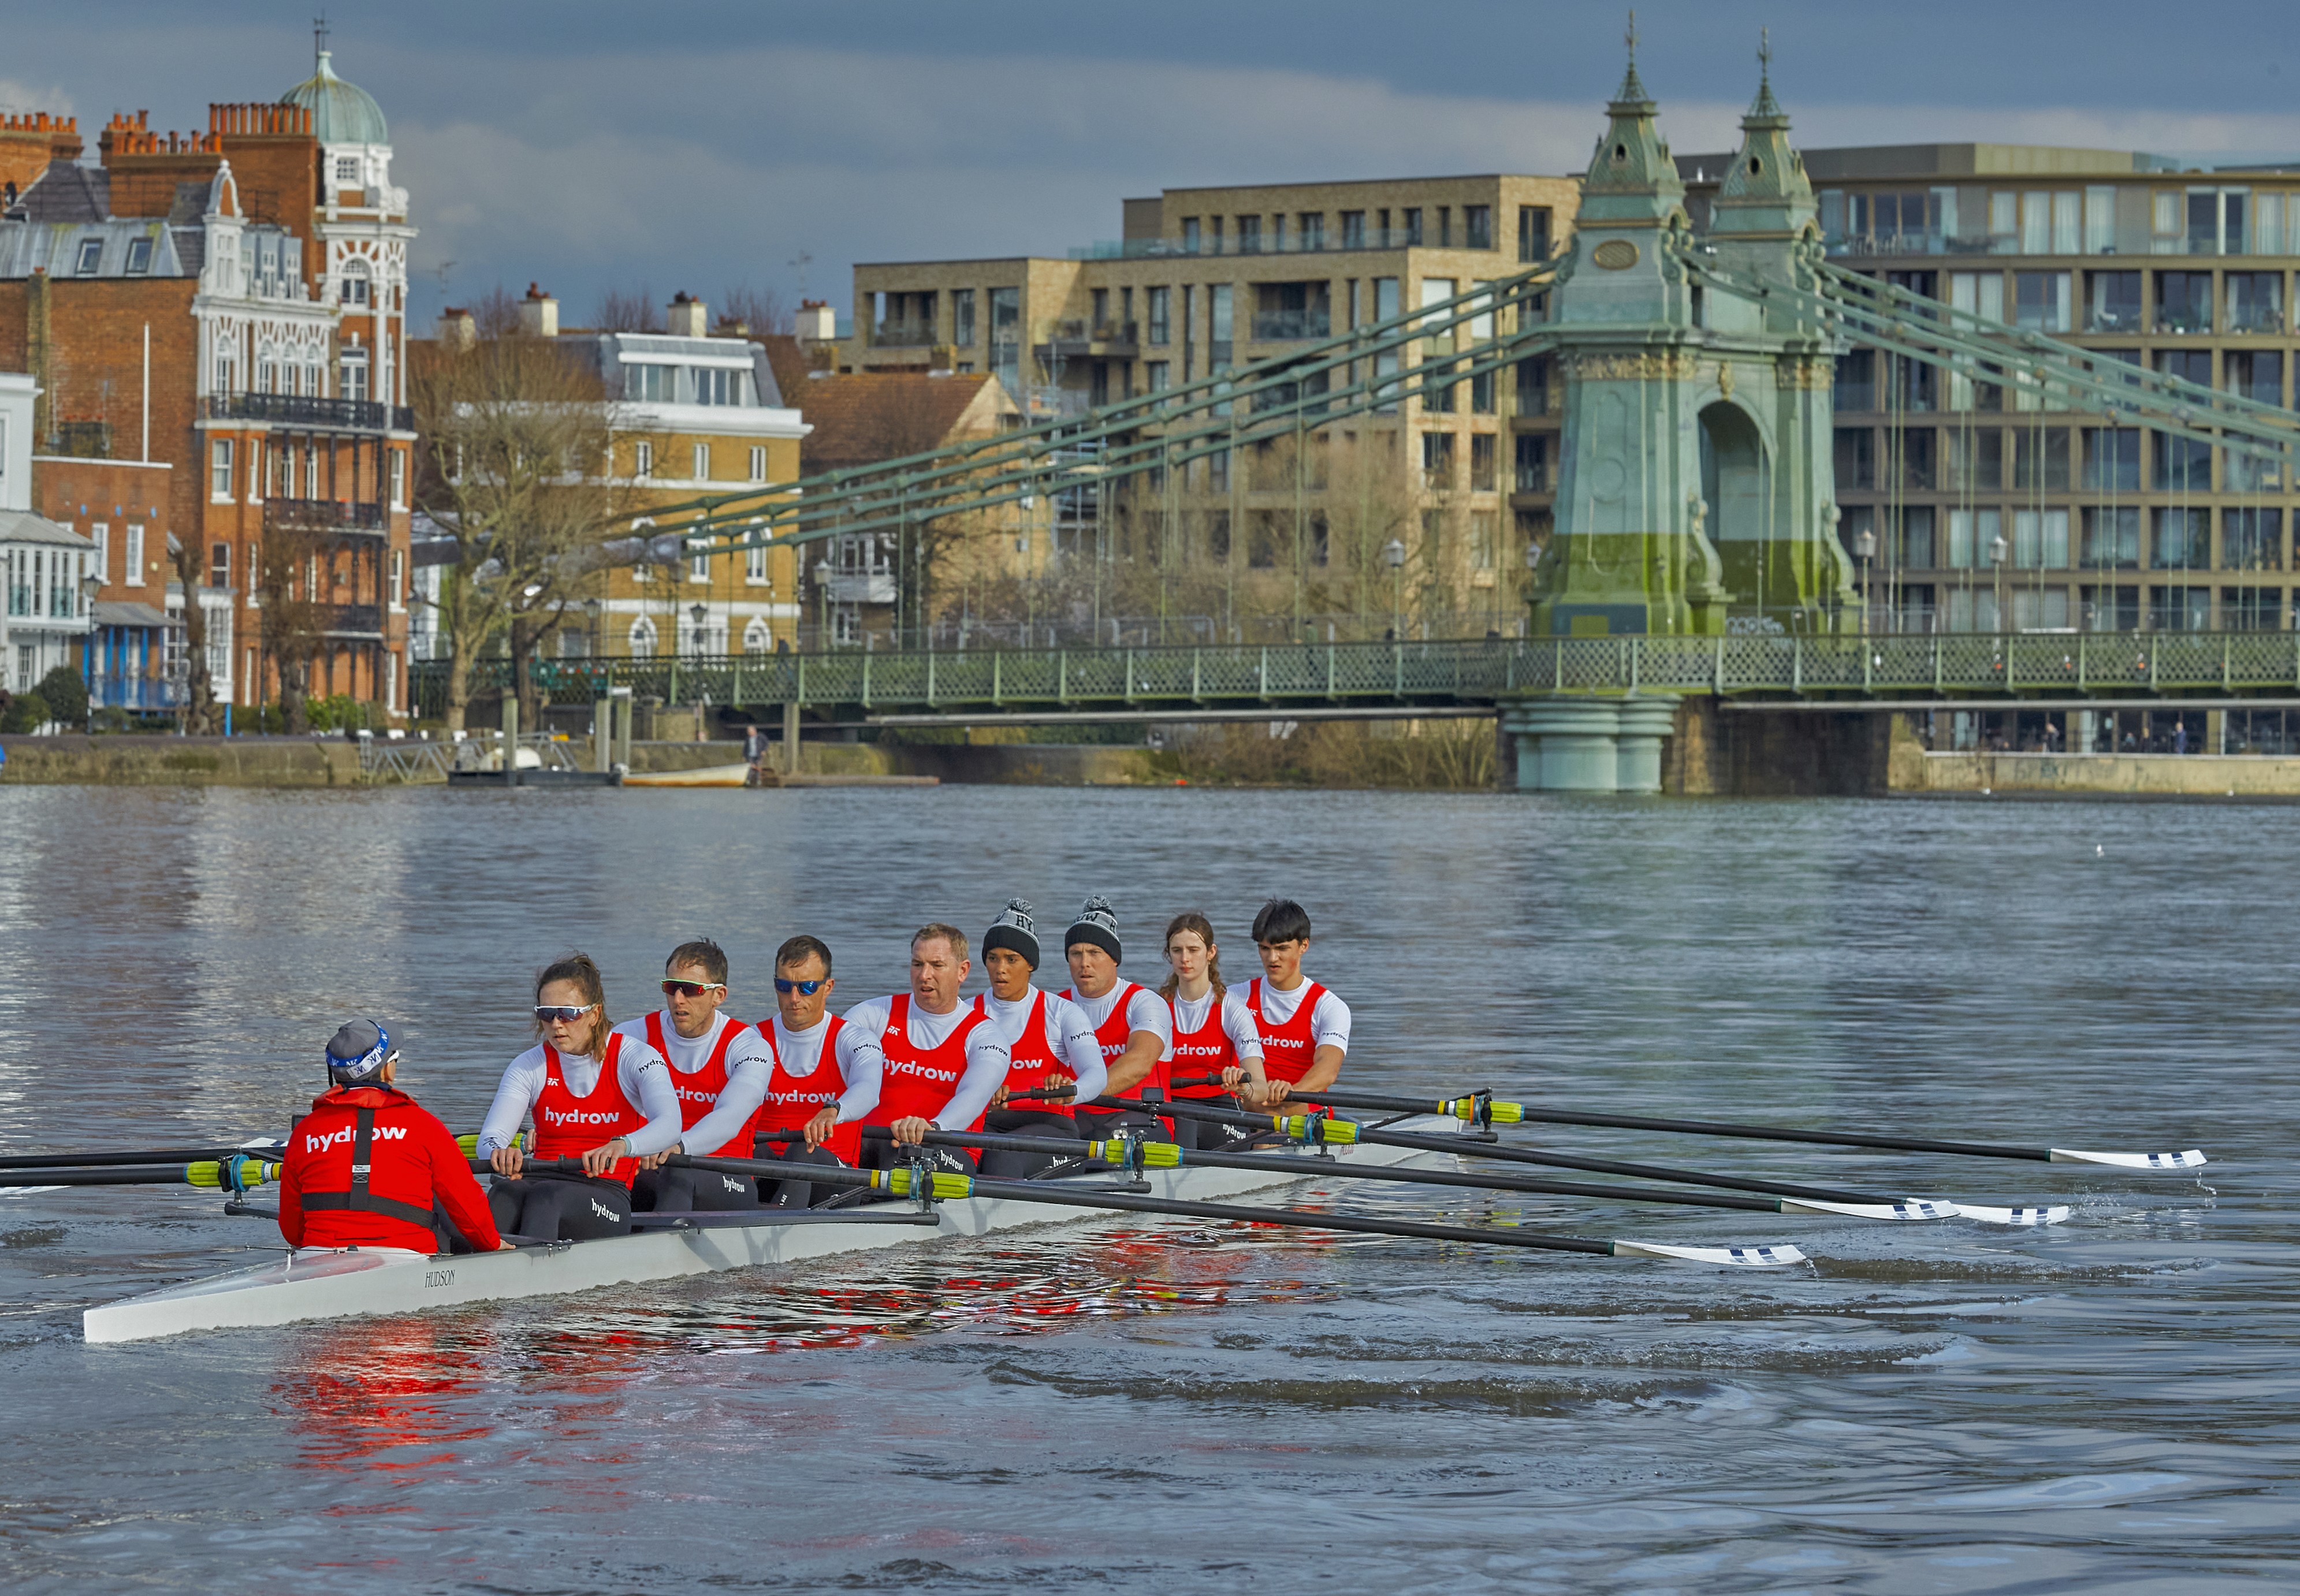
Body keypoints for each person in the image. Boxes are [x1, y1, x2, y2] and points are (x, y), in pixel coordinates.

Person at [475, 953, 683, 1240]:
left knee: (547, 1198)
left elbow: (671, 1124)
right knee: (504, 1191)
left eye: (568, 1014)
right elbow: (492, 1135)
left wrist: (624, 1146)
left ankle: (529, 1278)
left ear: (595, 1014)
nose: (556, 1024)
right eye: (546, 1014)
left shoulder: (635, 1057)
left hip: (606, 1194)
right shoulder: (529, 1065)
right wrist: (499, 1150)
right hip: (541, 1178)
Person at [278, 1020, 505, 1255]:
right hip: (407, 1258)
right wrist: (493, 1243)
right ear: (387, 1070)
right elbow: (466, 1204)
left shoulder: (304, 1133)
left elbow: (292, 1230)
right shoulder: (424, 1125)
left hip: (318, 1257)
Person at [611, 938, 779, 1213]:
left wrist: (677, 1147)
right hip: (655, 1168)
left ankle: (662, 1249)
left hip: (726, 1176)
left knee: (678, 1176)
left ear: (719, 995)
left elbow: (729, 1117)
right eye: (671, 987)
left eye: (691, 990)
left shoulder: (748, 1046)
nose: (678, 1000)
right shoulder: (634, 1036)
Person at [843, 923, 1008, 1177]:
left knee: (903, 1152)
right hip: (871, 1143)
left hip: (946, 1151)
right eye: (917, 964)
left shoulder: (985, 1035)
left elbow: (974, 1094)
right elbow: (829, 1057)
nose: (924, 975)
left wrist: (933, 1127)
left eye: (937, 965)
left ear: (962, 971)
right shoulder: (874, 1014)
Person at [970, 899, 1108, 1177]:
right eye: (993, 958)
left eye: (1012, 959)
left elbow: (1096, 1074)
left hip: (1052, 1126)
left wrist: (1070, 1091)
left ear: (1031, 964)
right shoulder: (966, 1014)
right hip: (985, 1124)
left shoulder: (1061, 1012)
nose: (1000, 969)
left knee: (1000, 1159)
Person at [751, 934, 883, 1207]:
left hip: (836, 1177)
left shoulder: (855, 1040)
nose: (794, 998)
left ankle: (777, 1227)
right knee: (751, 1150)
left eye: (806, 987)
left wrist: (834, 1109)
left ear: (828, 987)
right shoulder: (751, 1040)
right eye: (784, 986)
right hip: (771, 1169)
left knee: (803, 1150)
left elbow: (868, 1090)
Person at [1058, 895, 1175, 1142]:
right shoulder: (1055, 1007)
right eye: (1075, 953)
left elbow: (1139, 1063)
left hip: (1141, 1116)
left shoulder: (1145, 1002)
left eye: (1094, 953)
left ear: (1114, 959)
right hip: (1075, 1116)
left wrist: (1079, 1092)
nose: (1084, 963)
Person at [1159, 913, 1268, 1149]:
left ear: (1211, 953)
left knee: (1187, 1122)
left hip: (1221, 1109)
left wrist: (1243, 1087)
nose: (1185, 959)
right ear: (1169, 955)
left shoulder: (1232, 1010)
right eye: (1177, 951)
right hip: (1171, 1107)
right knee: (1184, 1119)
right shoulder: (1156, 1008)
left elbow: (1261, 1088)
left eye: (1193, 950)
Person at [1246, 898, 1350, 1106]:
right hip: (1249, 1109)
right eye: (1264, 948)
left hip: (1301, 1111)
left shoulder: (1329, 1007)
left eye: (1282, 948)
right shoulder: (1236, 998)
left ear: (1304, 945)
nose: (1272, 958)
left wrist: (1290, 1093)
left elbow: (1328, 1070)